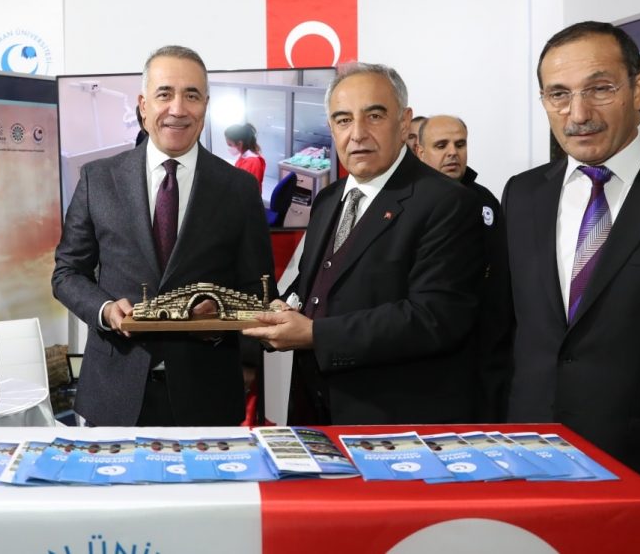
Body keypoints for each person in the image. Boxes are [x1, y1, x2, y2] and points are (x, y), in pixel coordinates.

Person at [505, 21, 640, 548]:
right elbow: (510, 333)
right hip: (531, 466)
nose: (578, 113)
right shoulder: (523, 195)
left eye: (600, 89)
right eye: (558, 94)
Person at [244, 63, 484, 425]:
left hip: (392, 423)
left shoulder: (447, 202)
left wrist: (315, 335)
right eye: (343, 120)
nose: (357, 134)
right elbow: (317, 285)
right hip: (314, 413)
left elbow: (434, 318)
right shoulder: (328, 199)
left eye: (374, 116)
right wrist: (287, 306)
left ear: (404, 123)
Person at [52, 45, 274, 427]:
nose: (178, 108)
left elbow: (258, 287)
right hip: (114, 391)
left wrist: (224, 317)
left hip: (207, 394)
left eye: (192, 95)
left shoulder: (238, 188)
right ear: (143, 105)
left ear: (206, 105)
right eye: (165, 93)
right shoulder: (98, 179)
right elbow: (67, 273)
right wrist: (105, 310)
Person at [417, 114, 512, 420]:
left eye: (460, 144)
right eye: (441, 145)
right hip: (429, 351)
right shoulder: (407, 203)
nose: (452, 153)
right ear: (420, 152)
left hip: (486, 349)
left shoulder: (485, 200)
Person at [224, 122, 266, 191]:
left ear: (240, 144)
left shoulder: (254, 162)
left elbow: (248, 189)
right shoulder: (243, 156)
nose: (229, 148)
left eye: (230, 145)